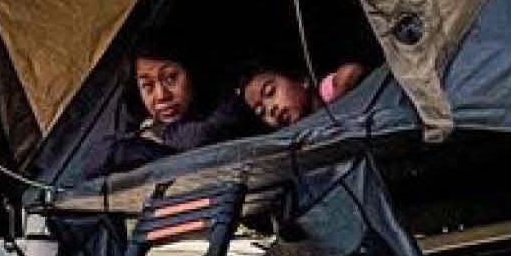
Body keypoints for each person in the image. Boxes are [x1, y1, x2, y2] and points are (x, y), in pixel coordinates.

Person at [119, 35, 249, 157]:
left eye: (171, 77)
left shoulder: (230, 107)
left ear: (192, 73)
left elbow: (201, 137)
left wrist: (157, 135)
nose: (161, 95)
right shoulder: (137, 131)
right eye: (148, 85)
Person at [238, 54, 367, 130]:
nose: (270, 109)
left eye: (270, 92)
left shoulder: (325, 92)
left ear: (301, 80)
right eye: (261, 112)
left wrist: (334, 108)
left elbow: (351, 72)